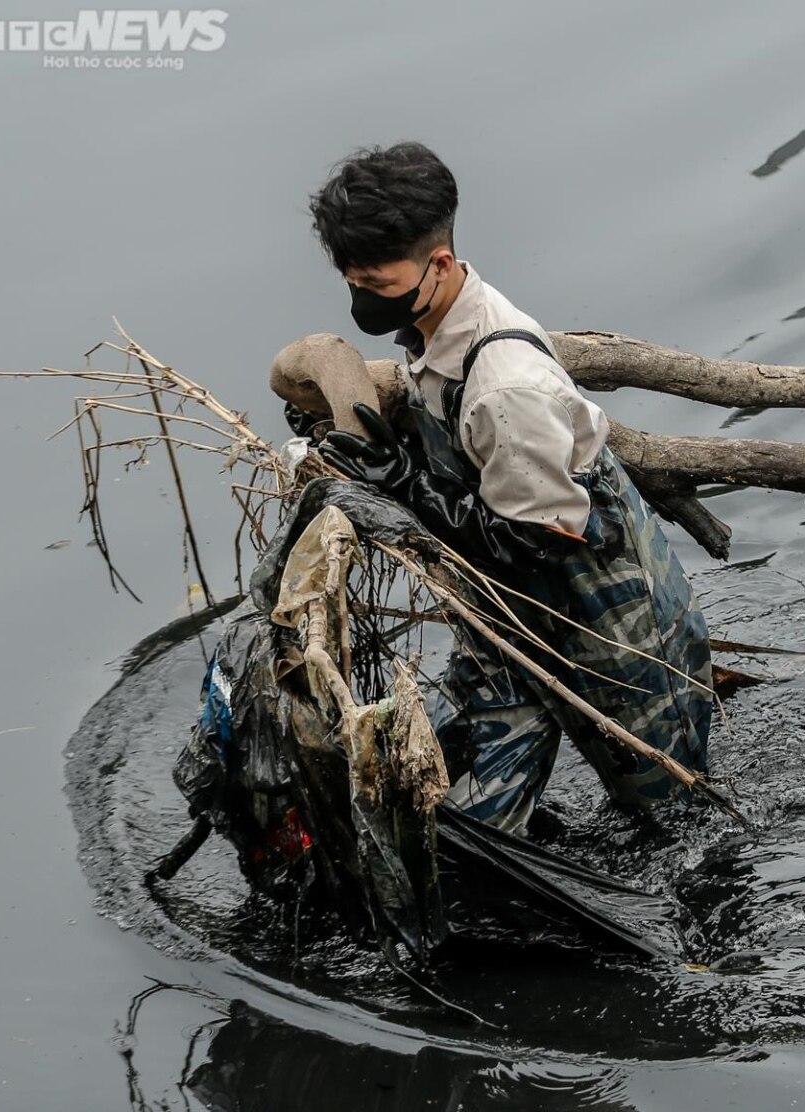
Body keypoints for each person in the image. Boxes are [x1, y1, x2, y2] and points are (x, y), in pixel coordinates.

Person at [301, 141, 714, 833]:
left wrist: (401, 485)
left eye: (377, 283)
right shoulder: (434, 325)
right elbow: (464, 454)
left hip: (617, 640)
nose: (362, 301)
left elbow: (533, 542)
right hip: (511, 627)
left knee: (669, 823)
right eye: (352, 283)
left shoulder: (506, 388)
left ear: (438, 262)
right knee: (435, 799)